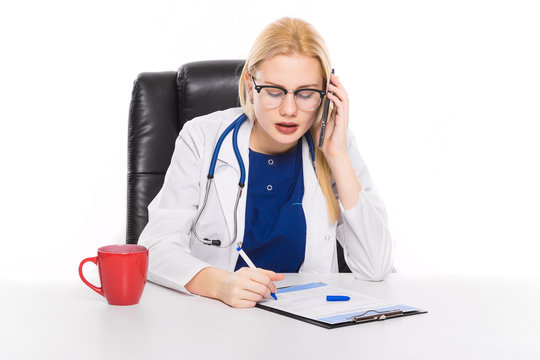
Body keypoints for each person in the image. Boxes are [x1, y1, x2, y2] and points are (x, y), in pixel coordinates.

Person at [138, 17, 393, 308]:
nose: (289, 110)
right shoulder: (202, 137)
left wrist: (337, 157)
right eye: (274, 91)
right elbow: (155, 247)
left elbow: (376, 266)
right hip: (216, 317)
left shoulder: (335, 144)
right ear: (249, 83)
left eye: (306, 93)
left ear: (327, 94)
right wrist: (221, 284)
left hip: (309, 324)